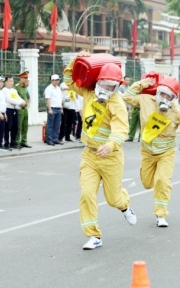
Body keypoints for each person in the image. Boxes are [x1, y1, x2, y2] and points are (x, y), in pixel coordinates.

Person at [63, 52, 137, 250]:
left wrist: (111, 144)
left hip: (111, 157)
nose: (106, 89)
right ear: (98, 81)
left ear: (117, 87)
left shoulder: (117, 103)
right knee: (87, 193)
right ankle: (94, 235)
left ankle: (125, 205)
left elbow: (121, 129)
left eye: (111, 87)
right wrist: (76, 61)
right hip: (89, 155)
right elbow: (69, 79)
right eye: (104, 84)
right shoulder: (88, 92)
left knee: (113, 199)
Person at [123, 76, 180, 227]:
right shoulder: (145, 100)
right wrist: (141, 84)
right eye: (162, 94)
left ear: (174, 97)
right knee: (147, 183)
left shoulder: (178, 111)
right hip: (147, 151)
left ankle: (161, 214)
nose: (164, 98)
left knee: (162, 181)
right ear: (157, 92)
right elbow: (126, 97)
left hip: (166, 152)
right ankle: (148, 176)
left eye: (168, 96)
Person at [44, 74, 63, 146]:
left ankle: (55, 139)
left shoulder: (58, 88)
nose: (57, 81)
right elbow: (48, 99)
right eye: (56, 80)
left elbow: (60, 99)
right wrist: (49, 109)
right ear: (52, 80)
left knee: (57, 125)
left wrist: (61, 108)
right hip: (52, 108)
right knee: (50, 125)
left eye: (58, 80)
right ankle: (49, 139)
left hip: (58, 108)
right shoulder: (49, 88)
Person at [15, 71, 32, 148]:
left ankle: (24, 141)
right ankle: (17, 142)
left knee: (25, 126)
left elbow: (28, 97)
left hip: (25, 110)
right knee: (19, 127)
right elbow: (14, 98)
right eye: (25, 78)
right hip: (19, 110)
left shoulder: (25, 88)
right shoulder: (16, 87)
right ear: (20, 78)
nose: (26, 79)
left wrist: (28, 105)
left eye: (27, 78)